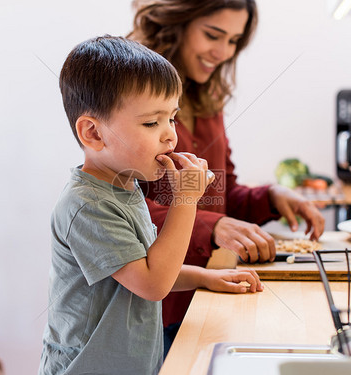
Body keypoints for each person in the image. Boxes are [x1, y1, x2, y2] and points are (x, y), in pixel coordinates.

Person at [38, 35, 262, 375]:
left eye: (171, 118)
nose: (170, 135)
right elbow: (152, 283)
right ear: (93, 133)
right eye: (150, 123)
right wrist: (185, 198)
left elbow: (143, 268)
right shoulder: (87, 204)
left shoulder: (125, 187)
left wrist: (205, 277)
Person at [129, 0, 326, 350]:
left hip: (203, 297)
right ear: (177, 23)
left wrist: (270, 197)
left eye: (234, 40)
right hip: (149, 309)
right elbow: (121, 203)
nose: (222, 52)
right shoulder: (131, 93)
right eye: (213, 35)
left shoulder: (207, 98)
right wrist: (211, 224)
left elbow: (220, 191)